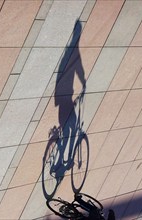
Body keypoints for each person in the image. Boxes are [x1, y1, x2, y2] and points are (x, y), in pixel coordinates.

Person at [54, 20, 86, 170]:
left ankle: (63, 161)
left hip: (62, 98)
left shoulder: (69, 52)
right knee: (71, 128)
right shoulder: (73, 52)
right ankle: (64, 161)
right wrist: (84, 83)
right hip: (65, 98)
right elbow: (78, 69)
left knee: (69, 128)